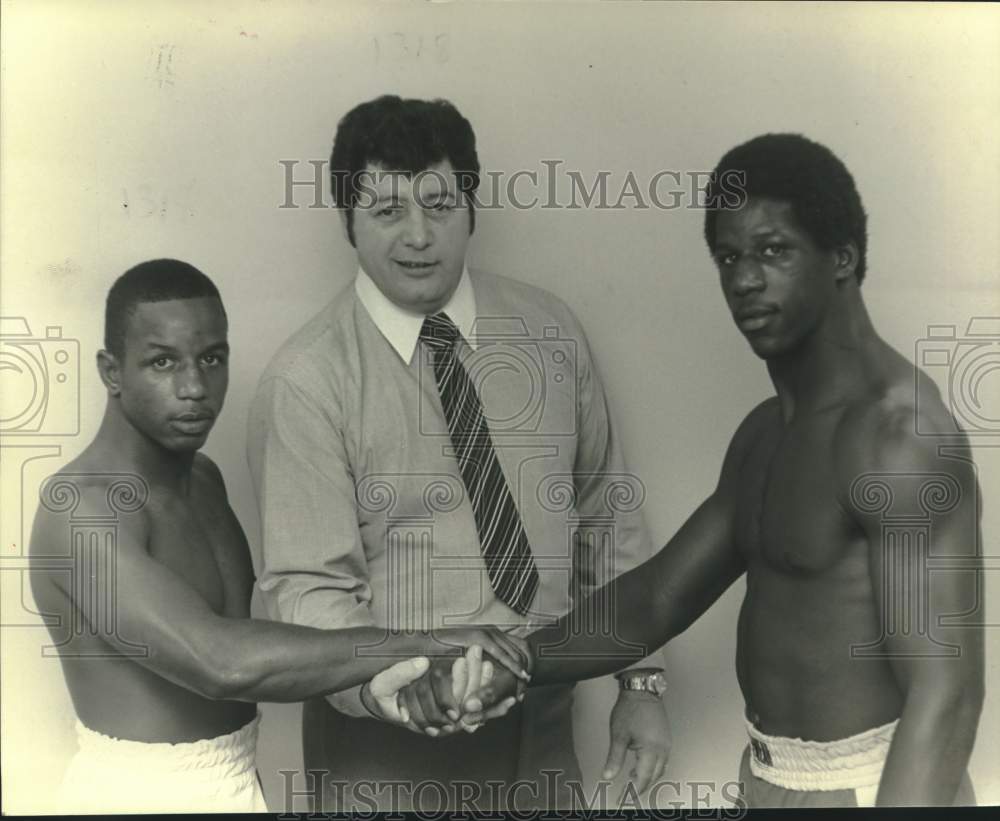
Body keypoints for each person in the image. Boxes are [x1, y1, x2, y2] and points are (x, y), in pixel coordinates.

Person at [469, 134, 985, 808]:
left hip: (874, 787)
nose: (744, 278)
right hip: (767, 781)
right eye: (729, 256)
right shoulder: (764, 437)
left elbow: (947, 698)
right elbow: (658, 598)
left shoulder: (897, 436)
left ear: (842, 257)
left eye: (773, 250)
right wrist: (519, 661)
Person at [246, 95, 666, 811]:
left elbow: (607, 517)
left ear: (472, 204)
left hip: (544, 735)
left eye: (439, 203)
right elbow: (308, 594)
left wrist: (643, 682)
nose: (418, 235)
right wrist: (406, 687)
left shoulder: (550, 332)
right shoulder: (306, 381)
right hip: (385, 750)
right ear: (347, 220)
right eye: (386, 211)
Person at [28, 259, 528, 814]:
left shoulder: (204, 481)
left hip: (239, 781)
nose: (194, 387)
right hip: (132, 796)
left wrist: (390, 682)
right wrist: (428, 640)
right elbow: (220, 664)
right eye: (162, 362)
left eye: (211, 359)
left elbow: (266, 649)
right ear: (111, 371)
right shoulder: (80, 508)